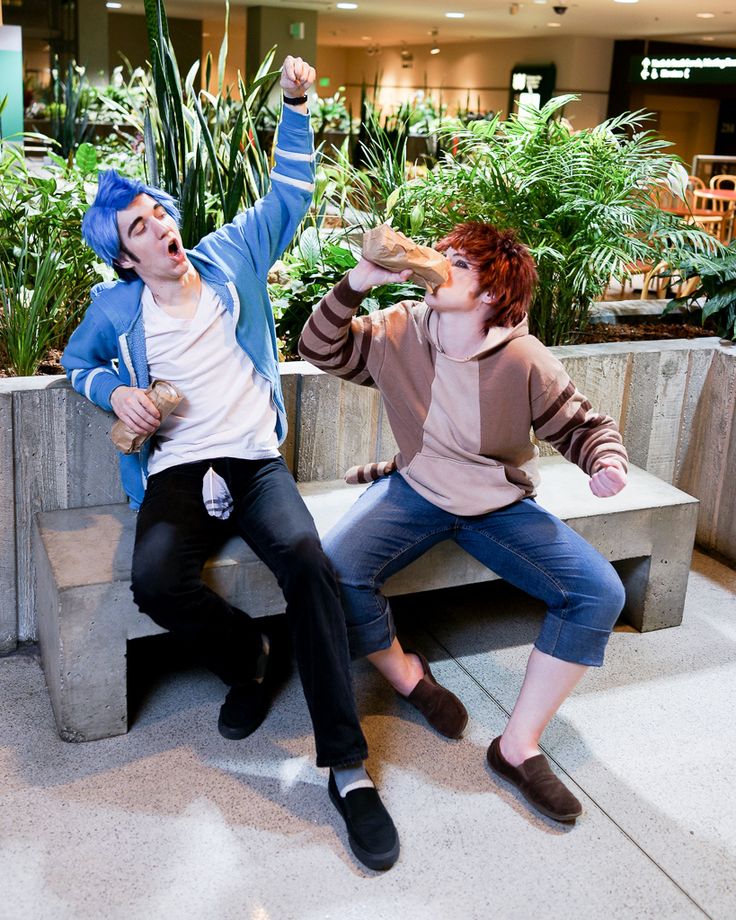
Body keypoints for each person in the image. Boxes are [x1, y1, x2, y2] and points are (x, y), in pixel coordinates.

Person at [61, 57, 399, 871]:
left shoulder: (227, 259)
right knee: (153, 582)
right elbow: (76, 363)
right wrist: (116, 392)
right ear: (124, 254)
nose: (158, 229)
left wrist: (295, 103)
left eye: (158, 214)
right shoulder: (116, 308)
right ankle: (248, 658)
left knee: (309, 561)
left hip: (252, 460)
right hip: (177, 470)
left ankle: (347, 772)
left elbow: (289, 197)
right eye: (138, 228)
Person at [298, 221, 628, 824]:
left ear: (490, 296)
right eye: (443, 252)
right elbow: (320, 350)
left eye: (462, 263)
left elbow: (583, 426)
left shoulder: (523, 357)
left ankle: (517, 747)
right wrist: (358, 282)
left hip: (495, 505)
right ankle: (406, 676)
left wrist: (604, 462)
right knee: (336, 566)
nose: (441, 262)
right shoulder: (399, 327)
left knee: (598, 591)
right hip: (415, 489)